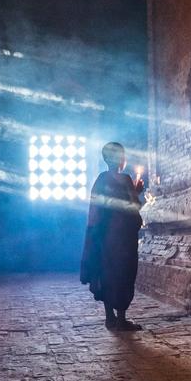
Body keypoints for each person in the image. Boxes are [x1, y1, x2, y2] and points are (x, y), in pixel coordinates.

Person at [80, 142, 144, 331]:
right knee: (123, 274)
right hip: (121, 237)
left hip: (108, 236)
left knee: (109, 273)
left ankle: (111, 318)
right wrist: (137, 192)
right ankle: (120, 319)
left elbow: (97, 209)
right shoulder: (125, 180)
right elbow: (134, 207)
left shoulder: (101, 180)